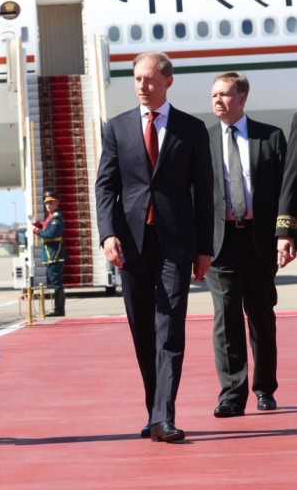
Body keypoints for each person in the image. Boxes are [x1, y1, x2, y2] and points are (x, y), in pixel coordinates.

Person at [94, 52, 213, 443]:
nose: (142, 86)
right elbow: (106, 186)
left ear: (168, 82)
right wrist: (108, 234)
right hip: (130, 245)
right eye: (136, 79)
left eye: (149, 79)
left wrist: (204, 249)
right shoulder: (117, 128)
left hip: (176, 244)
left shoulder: (192, 129)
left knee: (169, 327)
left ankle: (165, 416)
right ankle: (153, 408)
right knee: (142, 329)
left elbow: (204, 193)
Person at [203, 72, 285, 416]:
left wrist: (286, 235)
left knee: (262, 318)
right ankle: (231, 395)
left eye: (224, 95)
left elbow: (288, 191)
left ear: (242, 98)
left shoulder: (271, 138)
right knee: (226, 320)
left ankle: (264, 388)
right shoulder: (202, 141)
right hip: (220, 243)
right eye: (214, 96)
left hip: (258, 241)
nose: (217, 101)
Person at [32, 192, 66, 316]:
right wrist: (38, 225)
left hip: (55, 254)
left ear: (57, 203)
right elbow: (46, 228)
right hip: (50, 254)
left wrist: (38, 232)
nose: (48, 205)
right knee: (55, 282)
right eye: (46, 203)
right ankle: (58, 309)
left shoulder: (56, 217)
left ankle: (59, 310)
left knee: (57, 283)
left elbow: (51, 234)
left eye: (51, 202)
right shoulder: (50, 217)